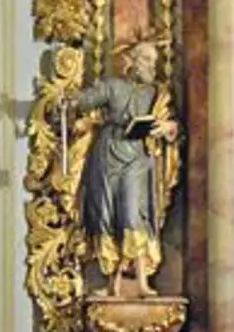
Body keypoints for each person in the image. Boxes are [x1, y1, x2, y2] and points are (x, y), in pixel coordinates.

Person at [60, 39, 181, 297]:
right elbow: (85, 100)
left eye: (154, 61)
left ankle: (142, 282)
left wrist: (168, 128)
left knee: (132, 214)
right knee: (109, 214)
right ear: (133, 61)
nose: (151, 65)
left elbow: (172, 124)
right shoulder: (113, 87)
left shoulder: (156, 94)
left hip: (137, 157)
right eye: (146, 59)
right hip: (108, 154)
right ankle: (112, 285)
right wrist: (69, 100)